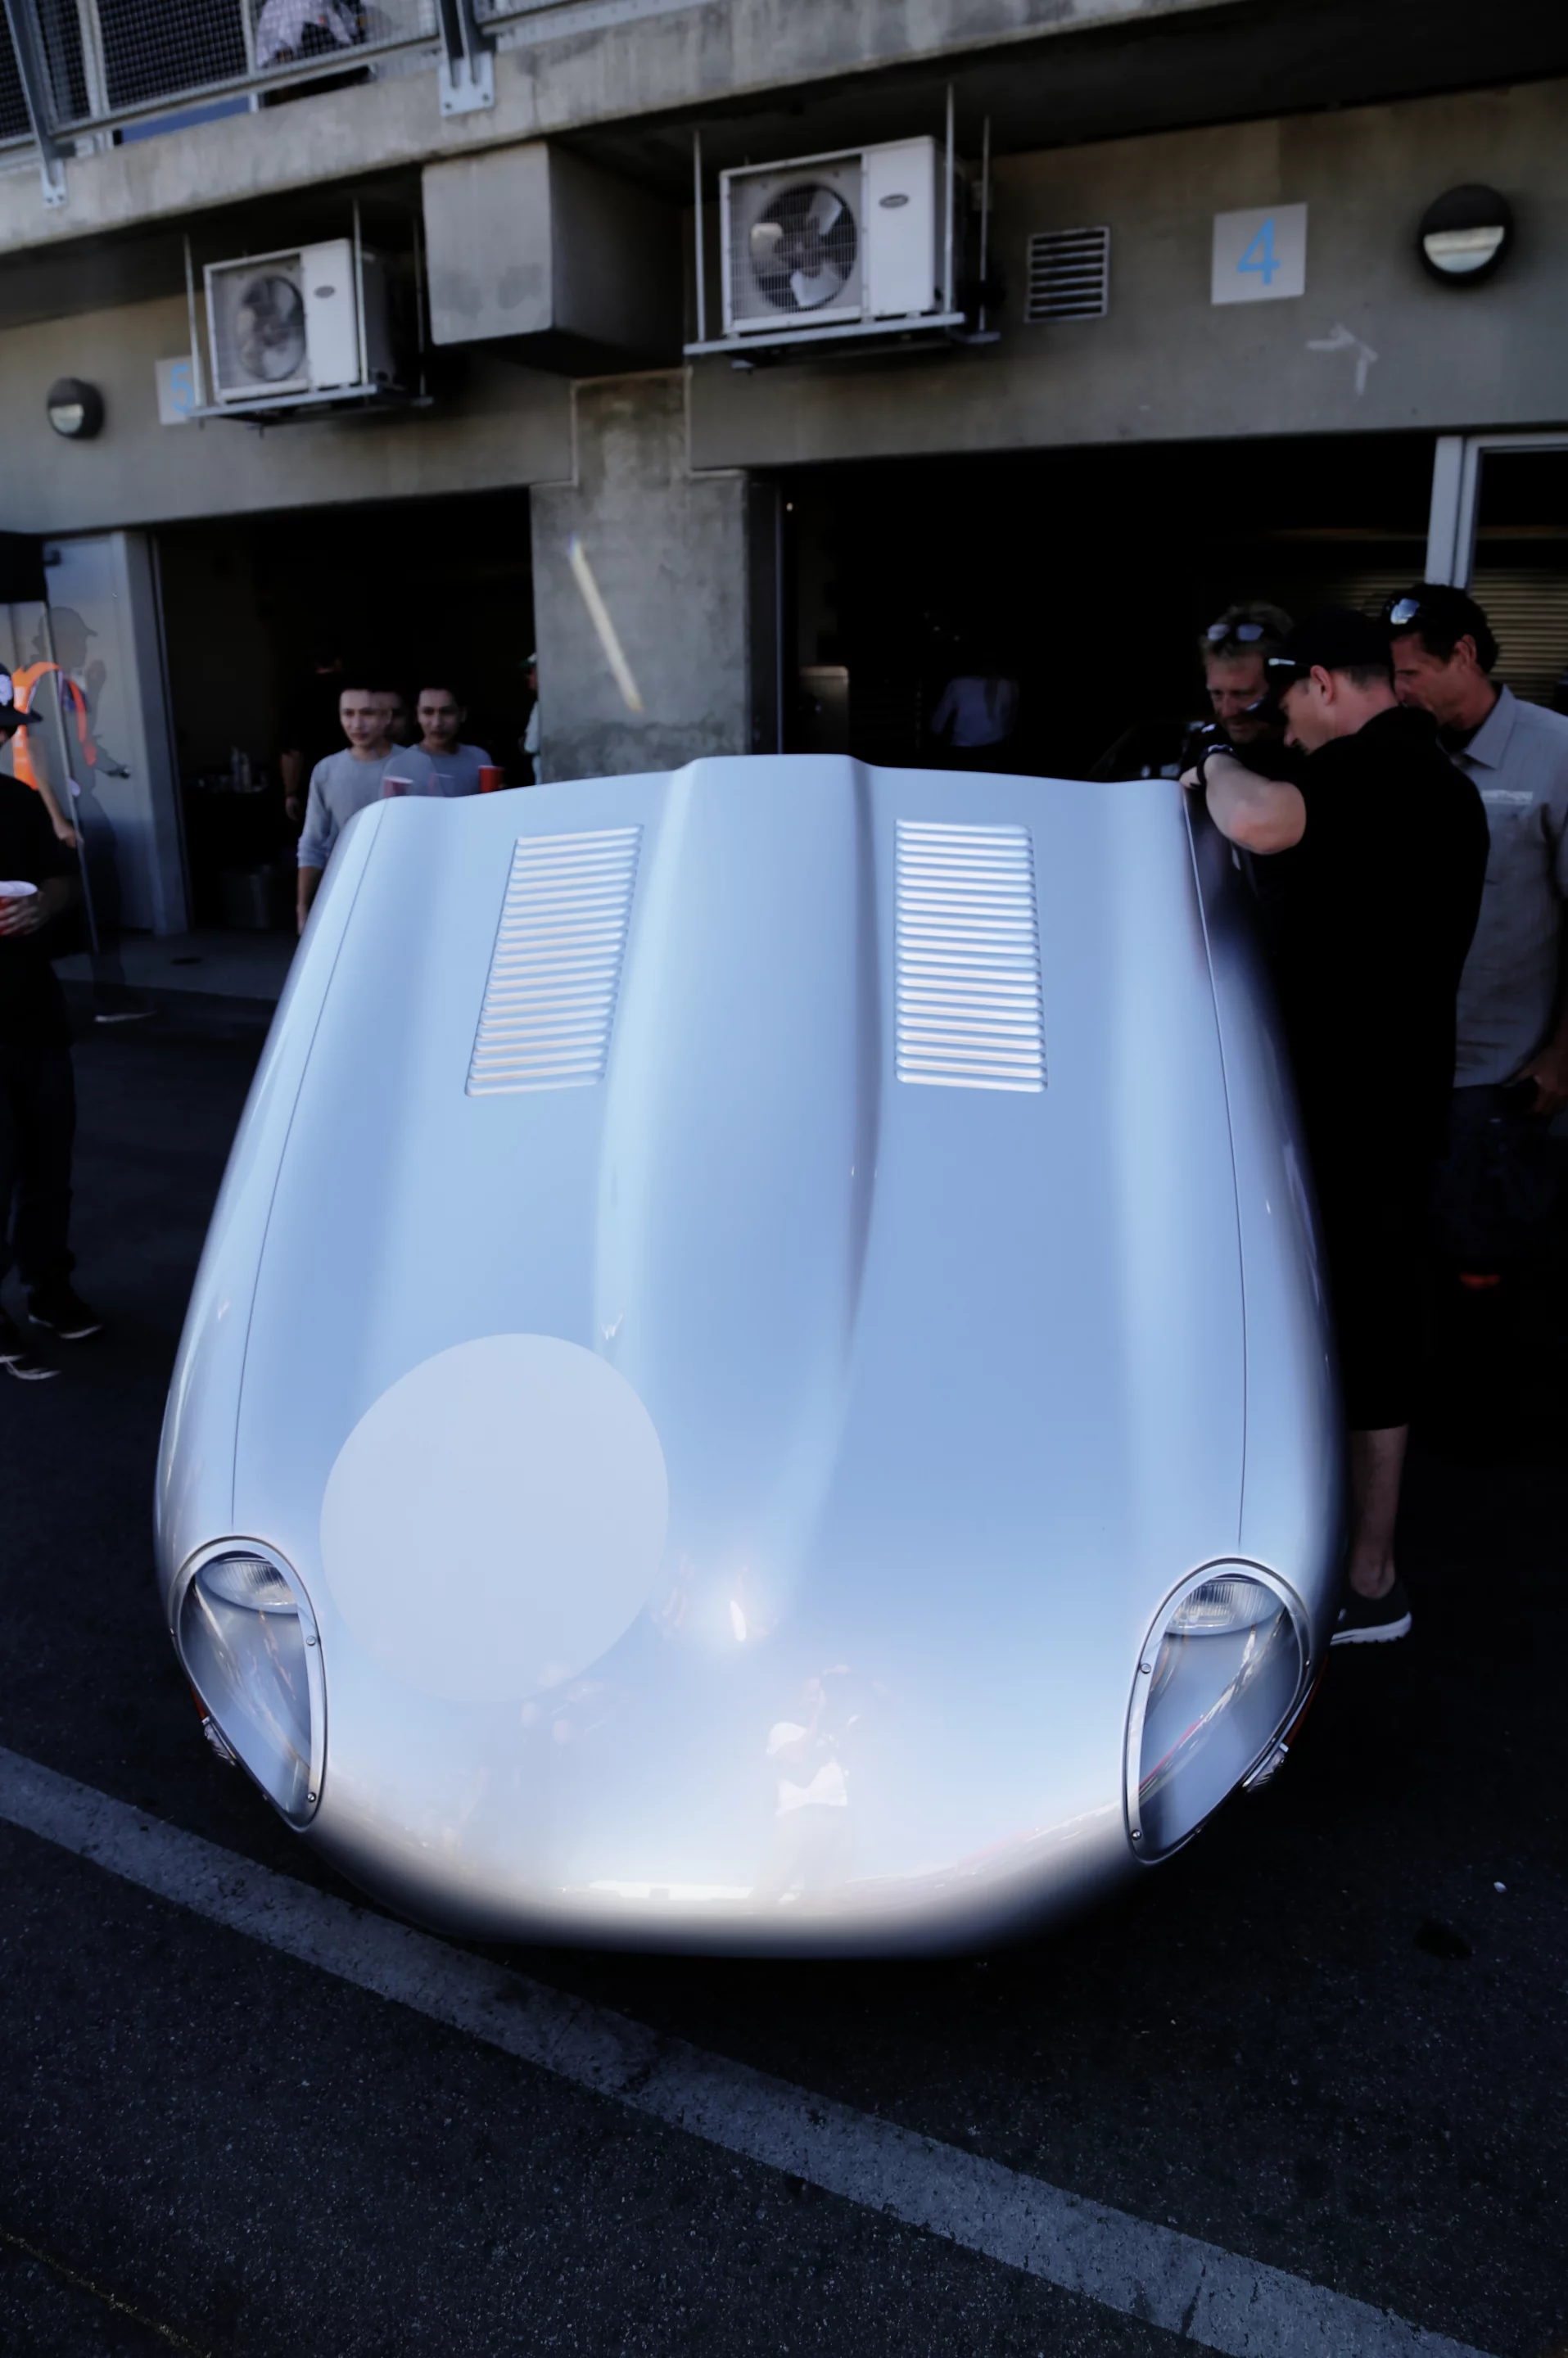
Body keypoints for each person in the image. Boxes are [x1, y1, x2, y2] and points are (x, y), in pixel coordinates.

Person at [1183, 608, 1488, 1643]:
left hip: (1356, 1112)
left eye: (1280, 703)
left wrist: (1214, 762)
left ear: (1319, 683)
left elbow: (1260, 818)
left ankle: (1365, 1577)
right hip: (1381, 1101)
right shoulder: (1426, 781)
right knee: (1365, 1324)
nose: (1278, 727)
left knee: (1360, 1329)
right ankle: (1358, 1569)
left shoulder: (1385, 768)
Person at [1384, 585, 1568, 1125]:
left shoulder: (1556, 753)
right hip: (1403, 1076)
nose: (1396, 690)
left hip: (1508, 1082)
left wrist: (1562, 1057)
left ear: (1463, 655)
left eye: (1409, 674)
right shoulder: (1399, 757)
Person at [0, 694, 99, 1378]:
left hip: (33, 1011)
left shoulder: (15, 800)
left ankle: (48, 1286)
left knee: (48, 1164)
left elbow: (65, 880)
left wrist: (44, 902)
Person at [296, 684, 405, 934]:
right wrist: (303, 909)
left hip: (399, 890)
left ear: (386, 717)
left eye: (367, 713)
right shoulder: (326, 770)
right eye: (348, 713)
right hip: (342, 892)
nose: (357, 724)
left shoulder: (414, 766)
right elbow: (312, 842)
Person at [1198, 602, 1295, 750]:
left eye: (1242, 694)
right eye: (1217, 694)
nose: (1227, 712)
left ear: (1285, 686)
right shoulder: (1203, 747)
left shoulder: (1324, 750)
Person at [385, 686, 493, 798]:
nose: (437, 723)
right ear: (417, 715)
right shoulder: (400, 764)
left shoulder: (479, 759)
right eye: (428, 712)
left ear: (462, 714)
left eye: (446, 712)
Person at [280, 646, 346, 829]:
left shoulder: (299, 695)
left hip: (312, 782)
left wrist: (290, 792)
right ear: (339, 662)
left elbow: (292, 750)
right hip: (351, 775)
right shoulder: (351, 692)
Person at [929, 657, 1019, 769]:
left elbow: (938, 724)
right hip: (997, 750)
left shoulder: (958, 685)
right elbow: (1010, 720)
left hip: (965, 752)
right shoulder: (1008, 685)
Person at [520, 654, 540, 785]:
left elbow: (530, 746)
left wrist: (522, 742)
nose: (528, 676)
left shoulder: (542, 705)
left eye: (532, 671)